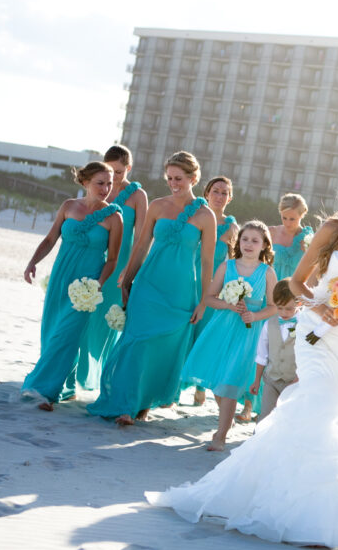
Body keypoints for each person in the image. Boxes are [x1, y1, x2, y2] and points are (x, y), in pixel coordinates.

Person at [146, 164, 338, 550]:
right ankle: (308, 517)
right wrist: (318, 308)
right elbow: (296, 281)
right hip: (318, 335)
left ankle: (308, 504)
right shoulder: (334, 229)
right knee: (318, 406)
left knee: (332, 417)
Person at [89, 151, 216, 425]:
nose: (174, 183)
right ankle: (126, 404)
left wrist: (204, 301)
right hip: (148, 283)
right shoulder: (158, 206)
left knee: (162, 347)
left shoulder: (206, 216)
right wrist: (128, 279)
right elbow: (142, 245)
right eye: (169, 178)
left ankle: (143, 401)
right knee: (136, 341)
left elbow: (207, 263)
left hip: (181, 290)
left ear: (194, 178)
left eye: (179, 178)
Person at [21, 162, 123, 410]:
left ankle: (45, 392)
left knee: (66, 335)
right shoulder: (68, 206)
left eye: (109, 183)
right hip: (61, 278)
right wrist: (32, 262)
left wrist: (97, 285)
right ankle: (65, 386)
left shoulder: (114, 217)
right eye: (100, 183)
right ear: (85, 182)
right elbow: (50, 239)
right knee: (52, 331)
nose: (106, 188)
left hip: (86, 288)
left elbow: (112, 260)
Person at [182, 221, 277, 450]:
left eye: (255, 241)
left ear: (264, 245)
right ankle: (227, 420)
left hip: (248, 332)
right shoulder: (227, 267)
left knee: (231, 382)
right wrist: (227, 304)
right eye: (245, 239)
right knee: (218, 382)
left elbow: (274, 306)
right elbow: (209, 297)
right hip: (222, 327)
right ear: (238, 242)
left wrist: (254, 316)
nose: (249, 244)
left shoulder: (268, 272)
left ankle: (220, 436)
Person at [70, 145, 147, 393]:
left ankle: (98, 377)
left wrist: (130, 271)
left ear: (129, 168)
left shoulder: (137, 196)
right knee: (82, 318)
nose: (113, 177)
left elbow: (142, 238)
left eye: (119, 171)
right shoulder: (97, 187)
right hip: (92, 260)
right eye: (109, 170)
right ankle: (72, 376)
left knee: (105, 323)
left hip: (120, 266)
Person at [191, 176, 239, 407]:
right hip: (186, 281)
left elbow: (235, 263)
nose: (219, 197)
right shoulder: (194, 216)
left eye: (224, 193)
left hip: (212, 289)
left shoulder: (231, 228)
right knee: (182, 333)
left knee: (203, 335)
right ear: (206, 192)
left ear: (230, 198)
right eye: (215, 191)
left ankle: (200, 385)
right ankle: (173, 386)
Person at [249, 278, 300, 422]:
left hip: (294, 382)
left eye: (289, 308)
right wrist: (257, 380)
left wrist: (299, 377)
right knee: (265, 417)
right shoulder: (268, 325)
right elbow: (261, 355)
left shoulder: (304, 325)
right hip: (272, 380)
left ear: (299, 303)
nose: (283, 312)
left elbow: (309, 355)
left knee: (288, 419)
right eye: (279, 307)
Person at [271, 193, 315, 280]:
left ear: (302, 215)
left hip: (294, 290)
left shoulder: (308, 239)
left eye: (292, 219)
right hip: (269, 288)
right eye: (284, 218)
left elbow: (315, 270)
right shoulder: (271, 232)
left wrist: (308, 253)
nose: (287, 223)